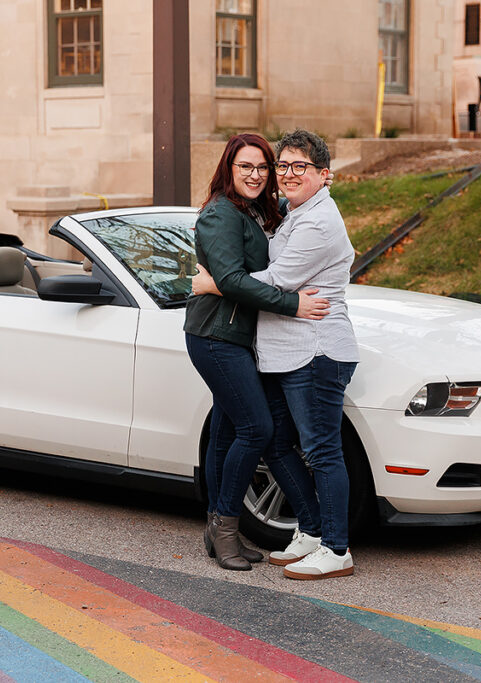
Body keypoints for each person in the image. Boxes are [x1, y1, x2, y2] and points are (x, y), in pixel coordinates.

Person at [193, 129, 360, 580]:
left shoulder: (317, 220)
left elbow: (281, 278)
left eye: (295, 167)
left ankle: (336, 547)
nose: (283, 174)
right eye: (280, 165)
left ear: (325, 176)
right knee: (273, 440)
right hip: (285, 352)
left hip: (317, 349)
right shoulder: (289, 211)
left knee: (322, 450)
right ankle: (309, 530)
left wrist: (216, 282)